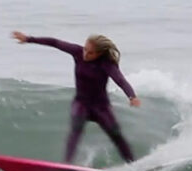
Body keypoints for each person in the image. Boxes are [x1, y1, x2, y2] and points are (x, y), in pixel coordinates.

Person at [13, 31, 140, 163]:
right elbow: (55, 42)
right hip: (81, 103)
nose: (85, 54)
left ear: (100, 53)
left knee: (116, 135)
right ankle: (66, 166)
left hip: (101, 107)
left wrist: (132, 96)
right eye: (85, 49)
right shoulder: (77, 52)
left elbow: (120, 80)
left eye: (90, 52)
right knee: (75, 130)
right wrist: (29, 39)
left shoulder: (106, 64)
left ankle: (133, 165)